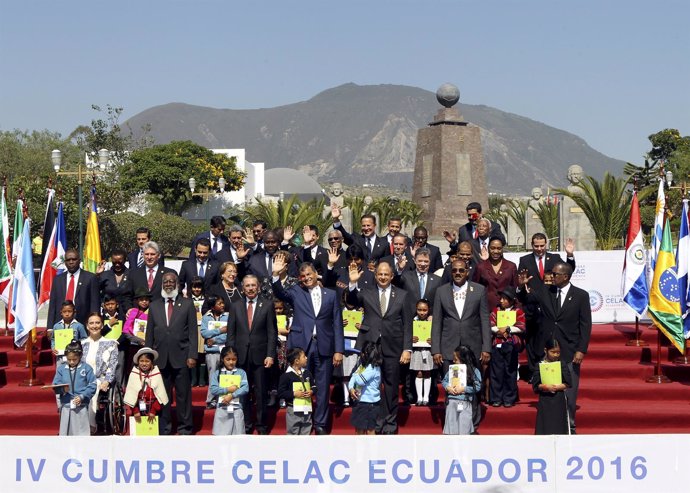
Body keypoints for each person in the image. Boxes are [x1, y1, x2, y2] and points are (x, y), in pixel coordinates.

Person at [271, 256, 344, 434]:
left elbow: (337, 323)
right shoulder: (296, 291)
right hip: (301, 347)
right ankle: (302, 423)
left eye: (309, 274)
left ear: (316, 274)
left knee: (322, 387)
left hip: (324, 347)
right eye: (302, 276)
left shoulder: (332, 295)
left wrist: (339, 350)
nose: (306, 278)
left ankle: (320, 424)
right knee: (300, 385)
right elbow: (280, 292)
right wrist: (275, 274)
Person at [518, 261, 590, 434]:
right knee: (548, 391)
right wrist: (522, 287)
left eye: (555, 274)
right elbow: (527, 299)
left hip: (570, 349)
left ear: (565, 276)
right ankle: (549, 427)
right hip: (548, 350)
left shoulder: (580, 295)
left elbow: (585, 324)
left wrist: (581, 349)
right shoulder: (545, 291)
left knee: (569, 391)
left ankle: (570, 426)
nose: (551, 277)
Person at [347, 261, 412, 434]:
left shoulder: (403, 295)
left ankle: (389, 424)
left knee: (390, 388)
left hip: (393, 347)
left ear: (391, 276)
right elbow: (352, 300)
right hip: (370, 346)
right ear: (375, 276)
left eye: (386, 274)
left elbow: (407, 324)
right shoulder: (366, 292)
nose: (383, 277)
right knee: (368, 386)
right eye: (380, 274)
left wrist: (407, 348)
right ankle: (371, 424)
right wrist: (353, 284)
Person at [431, 259, 491, 429]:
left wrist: (487, 347)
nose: (457, 273)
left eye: (461, 270)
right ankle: (452, 424)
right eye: (455, 270)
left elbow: (484, 320)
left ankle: (472, 425)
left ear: (467, 271)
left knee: (472, 388)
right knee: (451, 388)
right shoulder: (441, 291)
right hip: (448, 347)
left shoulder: (478, 290)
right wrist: (436, 349)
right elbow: (437, 322)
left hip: (472, 348)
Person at [145, 271, 198, 435]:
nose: (168, 284)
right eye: (165, 282)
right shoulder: (154, 305)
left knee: (183, 395)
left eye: (171, 281)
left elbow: (192, 333)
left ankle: (185, 427)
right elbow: (149, 334)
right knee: (162, 395)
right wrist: (147, 356)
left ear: (177, 284)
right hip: (160, 358)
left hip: (182, 356)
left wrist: (192, 355)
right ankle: (164, 427)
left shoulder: (187, 304)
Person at [517, 233, 576, 376]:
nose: (539, 248)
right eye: (536, 246)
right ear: (532, 245)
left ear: (546, 244)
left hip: (551, 307)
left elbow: (568, 271)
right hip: (532, 308)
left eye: (542, 245)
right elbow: (521, 282)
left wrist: (570, 255)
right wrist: (520, 285)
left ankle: (554, 371)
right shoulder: (525, 260)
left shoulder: (554, 258)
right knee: (532, 342)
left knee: (550, 341)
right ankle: (533, 372)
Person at [226, 274, 277, 435]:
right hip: (240, 357)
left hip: (261, 356)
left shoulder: (267, 305)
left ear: (258, 287)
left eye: (253, 285)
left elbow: (272, 333)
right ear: (242, 288)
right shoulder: (235, 306)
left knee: (261, 393)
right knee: (243, 393)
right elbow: (231, 334)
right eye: (247, 286)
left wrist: (270, 354)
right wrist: (230, 357)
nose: (250, 288)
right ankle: (246, 425)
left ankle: (262, 425)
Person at [81, 312, 119, 434]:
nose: (94, 326)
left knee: (93, 388)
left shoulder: (111, 344)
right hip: (81, 379)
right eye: (91, 323)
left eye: (97, 323)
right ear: (87, 326)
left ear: (102, 325)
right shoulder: (81, 344)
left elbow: (112, 366)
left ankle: (91, 426)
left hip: (99, 380)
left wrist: (107, 381)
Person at [46, 248, 100, 331]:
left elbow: (94, 304)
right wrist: (50, 327)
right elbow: (53, 305)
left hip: (83, 324)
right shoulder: (57, 280)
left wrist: (94, 324)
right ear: (65, 262)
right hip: (61, 325)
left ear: (79, 260)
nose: (71, 262)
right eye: (68, 260)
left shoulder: (90, 278)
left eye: (74, 259)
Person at [489, 287, 525, 407]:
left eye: (505, 299)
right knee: (496, 371)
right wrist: (499, 330)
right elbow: (491, 324)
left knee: (510, 371)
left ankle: (509, 397)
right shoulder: (496, 310)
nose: (502, 301)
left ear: (511, 300)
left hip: (511, 344)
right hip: (497, 343)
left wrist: (508, 329)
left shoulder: (518, 311)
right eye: (501, 298)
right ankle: (496, 398)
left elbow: (521, 326)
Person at [52, 340, 96, 436]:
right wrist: (62, 389)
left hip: (81, 405)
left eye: (74, 359)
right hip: (66, 404)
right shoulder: (61, 369)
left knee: (81, 431)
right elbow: (55, 384)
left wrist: (82, 396)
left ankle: (82, 449)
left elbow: (92, 385)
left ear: (80, 356)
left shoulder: (86, 368)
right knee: (65, 431)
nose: (71, 362)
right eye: (69, 359)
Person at [532, 338, 572, 435]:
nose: (555, 355)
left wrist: (557, 387)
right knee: (545, 424)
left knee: (559, 423)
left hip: (559, 398)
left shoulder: (562, 364)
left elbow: (568, 383)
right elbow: (536, 385)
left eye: (558, 352)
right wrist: (545, 387)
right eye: (552, 352)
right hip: (545, 399)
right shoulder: (540, 365)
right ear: (546, 350)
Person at [209, 346, 249, 435]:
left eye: (234, 359)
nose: (231, 362)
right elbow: (213, 389)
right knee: (221, 438)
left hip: (237, 408)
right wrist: (227, 389)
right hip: (222, 408)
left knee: (237, 437)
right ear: (222, 359)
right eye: (228, 359)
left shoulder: (241, 373)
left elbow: (245, 388)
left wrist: (232, 395)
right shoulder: (217, 373)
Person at [442, 345, 482, 435]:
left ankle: (464, 446)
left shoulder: (474, 371)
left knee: (465, 426)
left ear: (464, 359)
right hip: (452, 401)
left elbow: (478, 386)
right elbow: (444, 381)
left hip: (465, 402)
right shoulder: (452, 370)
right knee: (451, 425)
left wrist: (464, 389)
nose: (453, 361)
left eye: (456, 359)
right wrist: (448, 387)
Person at [123, 347, 169, 424]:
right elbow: (131, 395)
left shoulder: (156, 373)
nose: (144, 364)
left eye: (147, 361)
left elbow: (160, 395)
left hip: (154, 409)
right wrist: (135, 411)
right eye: (141, 361)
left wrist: (153, 411)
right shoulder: (134, 374)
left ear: (152, 362)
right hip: (137, 409)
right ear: (138, 362)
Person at [473, 236, 518, 313]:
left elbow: (514, 288)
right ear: (488, 248)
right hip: (486, 309)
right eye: (493, 248)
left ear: (502, 249)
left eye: (499, 248)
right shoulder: (481, 267)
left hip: (506, 311)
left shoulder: (511, 266)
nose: (496, 251)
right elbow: (475, 289)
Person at [278, 347, 315, 435]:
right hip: (293, 409)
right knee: (293, 433)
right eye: (304, 356)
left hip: (306, 408)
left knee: (306, 431)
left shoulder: (307, 373)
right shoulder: (286, 376)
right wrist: (294, 393)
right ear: (296, 361)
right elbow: (281, 392)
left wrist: (312, 391)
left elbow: (314, 386)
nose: (306, 358)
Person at [200, 294, 229, 409]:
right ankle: (211, 400)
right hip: (211, 352)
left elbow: (229, 334)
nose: (222, 305)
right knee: (213, 375)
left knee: (224, 375)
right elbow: (204, 333)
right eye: (219, 303)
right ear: (212, 306)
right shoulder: (206, 317)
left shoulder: (228, 316)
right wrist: (219, 330)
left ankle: (223, 399)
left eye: (223, 303)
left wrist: (215, 339)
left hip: (224, 351)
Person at [348, 341, 382, 435]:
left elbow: (359, 381)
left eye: (362, 353)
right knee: (358, 430)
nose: (361, 355)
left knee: (370, 430)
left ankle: (372, 449)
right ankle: (359, 449)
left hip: (370, 404)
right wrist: (351, 388)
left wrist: (355, 376)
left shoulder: (373, 368)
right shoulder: (363, 366)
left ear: (366, 354)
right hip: (360, 402)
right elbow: (353, 376)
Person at [410, 299, 434, 406]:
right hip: (417, 350)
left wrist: (432, 340)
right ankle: (419, 398)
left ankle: (426, 398)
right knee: (419, 373)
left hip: (428, 350)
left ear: (428, 310)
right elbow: (407, 334)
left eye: (425, 310)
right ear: (416, 309)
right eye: (419, 310)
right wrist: (411, 339)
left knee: (427, 372)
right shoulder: (413, 321)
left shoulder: (432, 321)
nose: (422, 312)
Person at [97, 249, 132, 318]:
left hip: (127, 313)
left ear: (125, 260)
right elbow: (95, 291)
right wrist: (98, 275)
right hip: (108, 314)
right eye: (114, 262)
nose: (117, 264)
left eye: (120, 262)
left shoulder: (132, 274)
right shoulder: (105, 275)